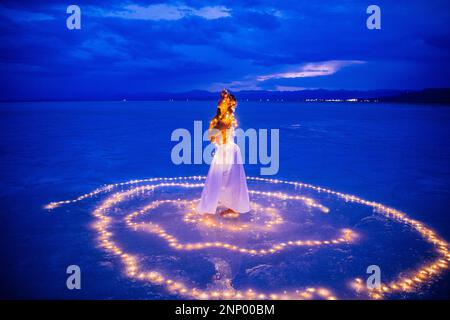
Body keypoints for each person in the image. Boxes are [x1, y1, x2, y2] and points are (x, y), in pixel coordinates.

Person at [197, 89, 250, 218]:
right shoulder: (222, 119)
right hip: (225, 150)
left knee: (225, 179)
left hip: (228, 151)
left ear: (227, 104)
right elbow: (211, 136)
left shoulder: (225, 120)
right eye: (220, 100)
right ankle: (217, 205)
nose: (219, 102)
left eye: (223, 101)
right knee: (225, 179)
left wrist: (214, 127)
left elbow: (211, 135)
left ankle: (220, 206)